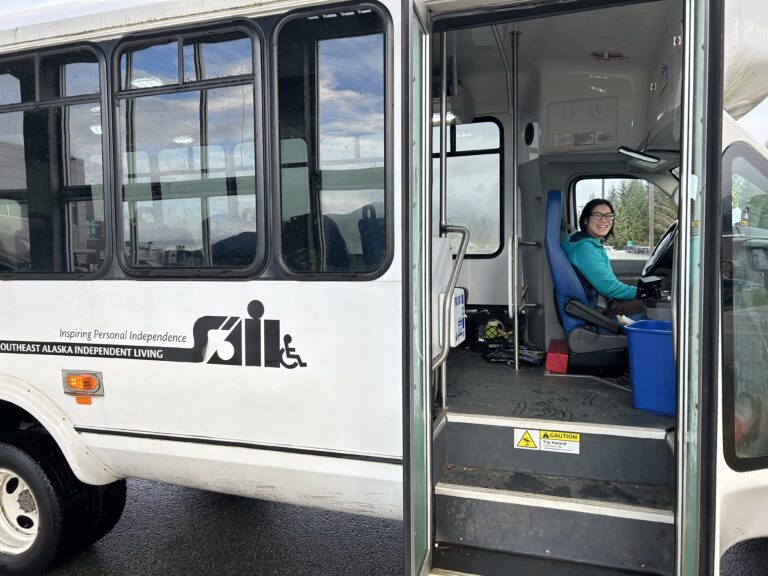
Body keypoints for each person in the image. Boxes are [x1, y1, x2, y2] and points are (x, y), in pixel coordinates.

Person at [561, 198, 645, 319]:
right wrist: (643, 293)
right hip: (598, 308)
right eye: (597, 215)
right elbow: (609, 288)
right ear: (585, 220)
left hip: (599, 302)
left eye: (608, 215)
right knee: (651, 307)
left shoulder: (583, 242)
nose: (604, 220)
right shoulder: (586, 249)